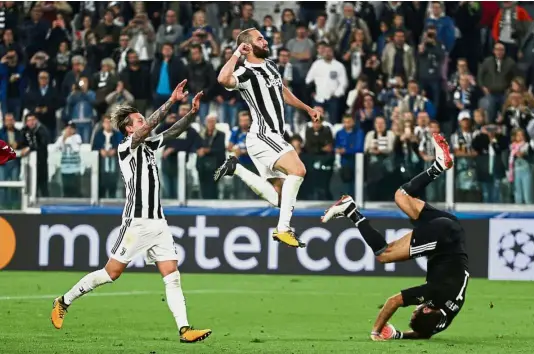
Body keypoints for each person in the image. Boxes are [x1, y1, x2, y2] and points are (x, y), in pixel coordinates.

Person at [50, 80, 212, 344]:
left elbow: (172, 131)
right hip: (135, 223)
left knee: (172, 275)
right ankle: (63, 301)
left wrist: (191, 113)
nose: (143, 122)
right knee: (111, 273)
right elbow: (149, 127)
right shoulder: (127, 147)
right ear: (129, 128)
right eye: (138, 120)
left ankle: (184, 329)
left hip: (159, 223)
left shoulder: (149, 145)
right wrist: (171, 101)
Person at [322, 133, 469, 340]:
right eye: (416, 312)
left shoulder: (442, 320)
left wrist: (399, 335)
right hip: (443, 239)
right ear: (426, 310)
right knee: (384, 254)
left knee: (402, 196)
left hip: (454, 230)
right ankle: (350, 210)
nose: (415, 309)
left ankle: (438, 166)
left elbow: (423, 334)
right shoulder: (435, 294)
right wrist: (377, 330)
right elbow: (393, 302)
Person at [215, 27, 321, 248]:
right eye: (260, 39)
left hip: (268, 138)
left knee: (279, 198)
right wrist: (236, 53)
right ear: (248, 46)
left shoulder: (271, 65)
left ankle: (237, 168)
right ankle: (283, 229)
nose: (265, 41)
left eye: (264, 37)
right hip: (263, 134)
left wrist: (307, 108)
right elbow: (223, 78)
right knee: (298, 170)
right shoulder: (245, 72)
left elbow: (281, 91)